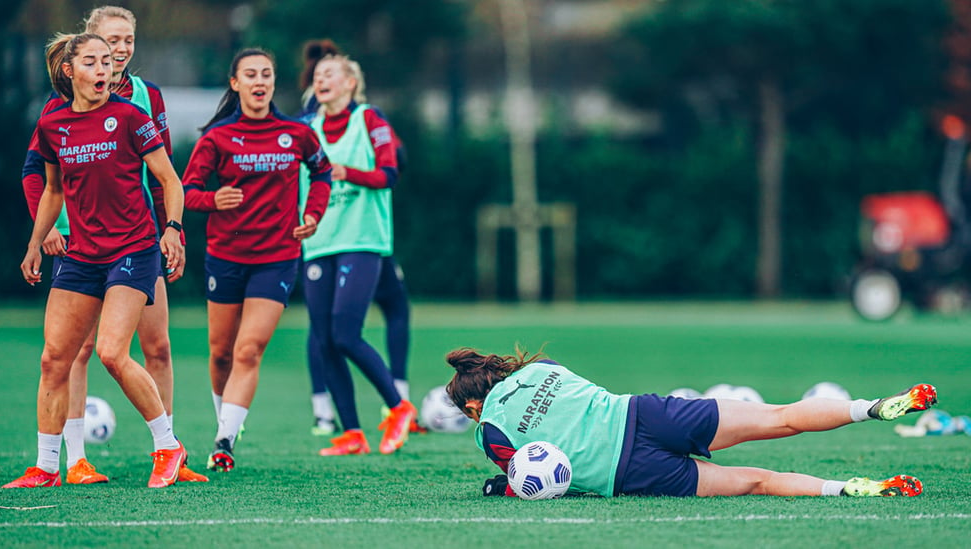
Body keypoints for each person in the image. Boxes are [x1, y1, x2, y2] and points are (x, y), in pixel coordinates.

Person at [19, 5, 207, 485]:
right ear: (70, 69)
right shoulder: (53, 122)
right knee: (54, 358)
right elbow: (52, 190)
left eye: (111, 58)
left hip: (132, 249)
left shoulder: (132, 115)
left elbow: (170, 179)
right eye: (94, 60)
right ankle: (47, 467)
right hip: (81, 253)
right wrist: (36, 243)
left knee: (111, 352)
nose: (106, 67)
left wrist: (172, 228)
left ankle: (168, 446)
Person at [445, 346, 938, 498]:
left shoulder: (491, 433)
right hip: (644, 414)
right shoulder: (541, 369)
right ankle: (872, 407)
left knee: (756, 483)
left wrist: (497, 487)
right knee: (781, 416)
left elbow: (527, 481)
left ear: (472, 407)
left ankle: (850, 489)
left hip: (629, 472)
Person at [182, 48, 332, 472]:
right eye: (250, 74)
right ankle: (226, 418)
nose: (259, 81)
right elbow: (186, 190)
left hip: (278, 258)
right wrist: (213, 199)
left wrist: (312, 215)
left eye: (266, 73)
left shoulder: (296, 133)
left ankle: (224, 440)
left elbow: (321, 174)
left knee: (249, 350)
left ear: (273, 82)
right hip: (225, 257)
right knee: (221, 353)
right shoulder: (217, 138)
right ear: (236, 84)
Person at [297, 39, 418, 437]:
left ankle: (398, 407)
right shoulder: (305, 128)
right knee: (326, 340)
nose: (321, 80)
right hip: (317, 243)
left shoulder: (370, 120)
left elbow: (389, 174)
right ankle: (351, 433)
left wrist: (347, 172)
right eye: (317, 77)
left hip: (361, 242)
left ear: (350, 83)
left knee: (347, 334)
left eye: (330, 74)